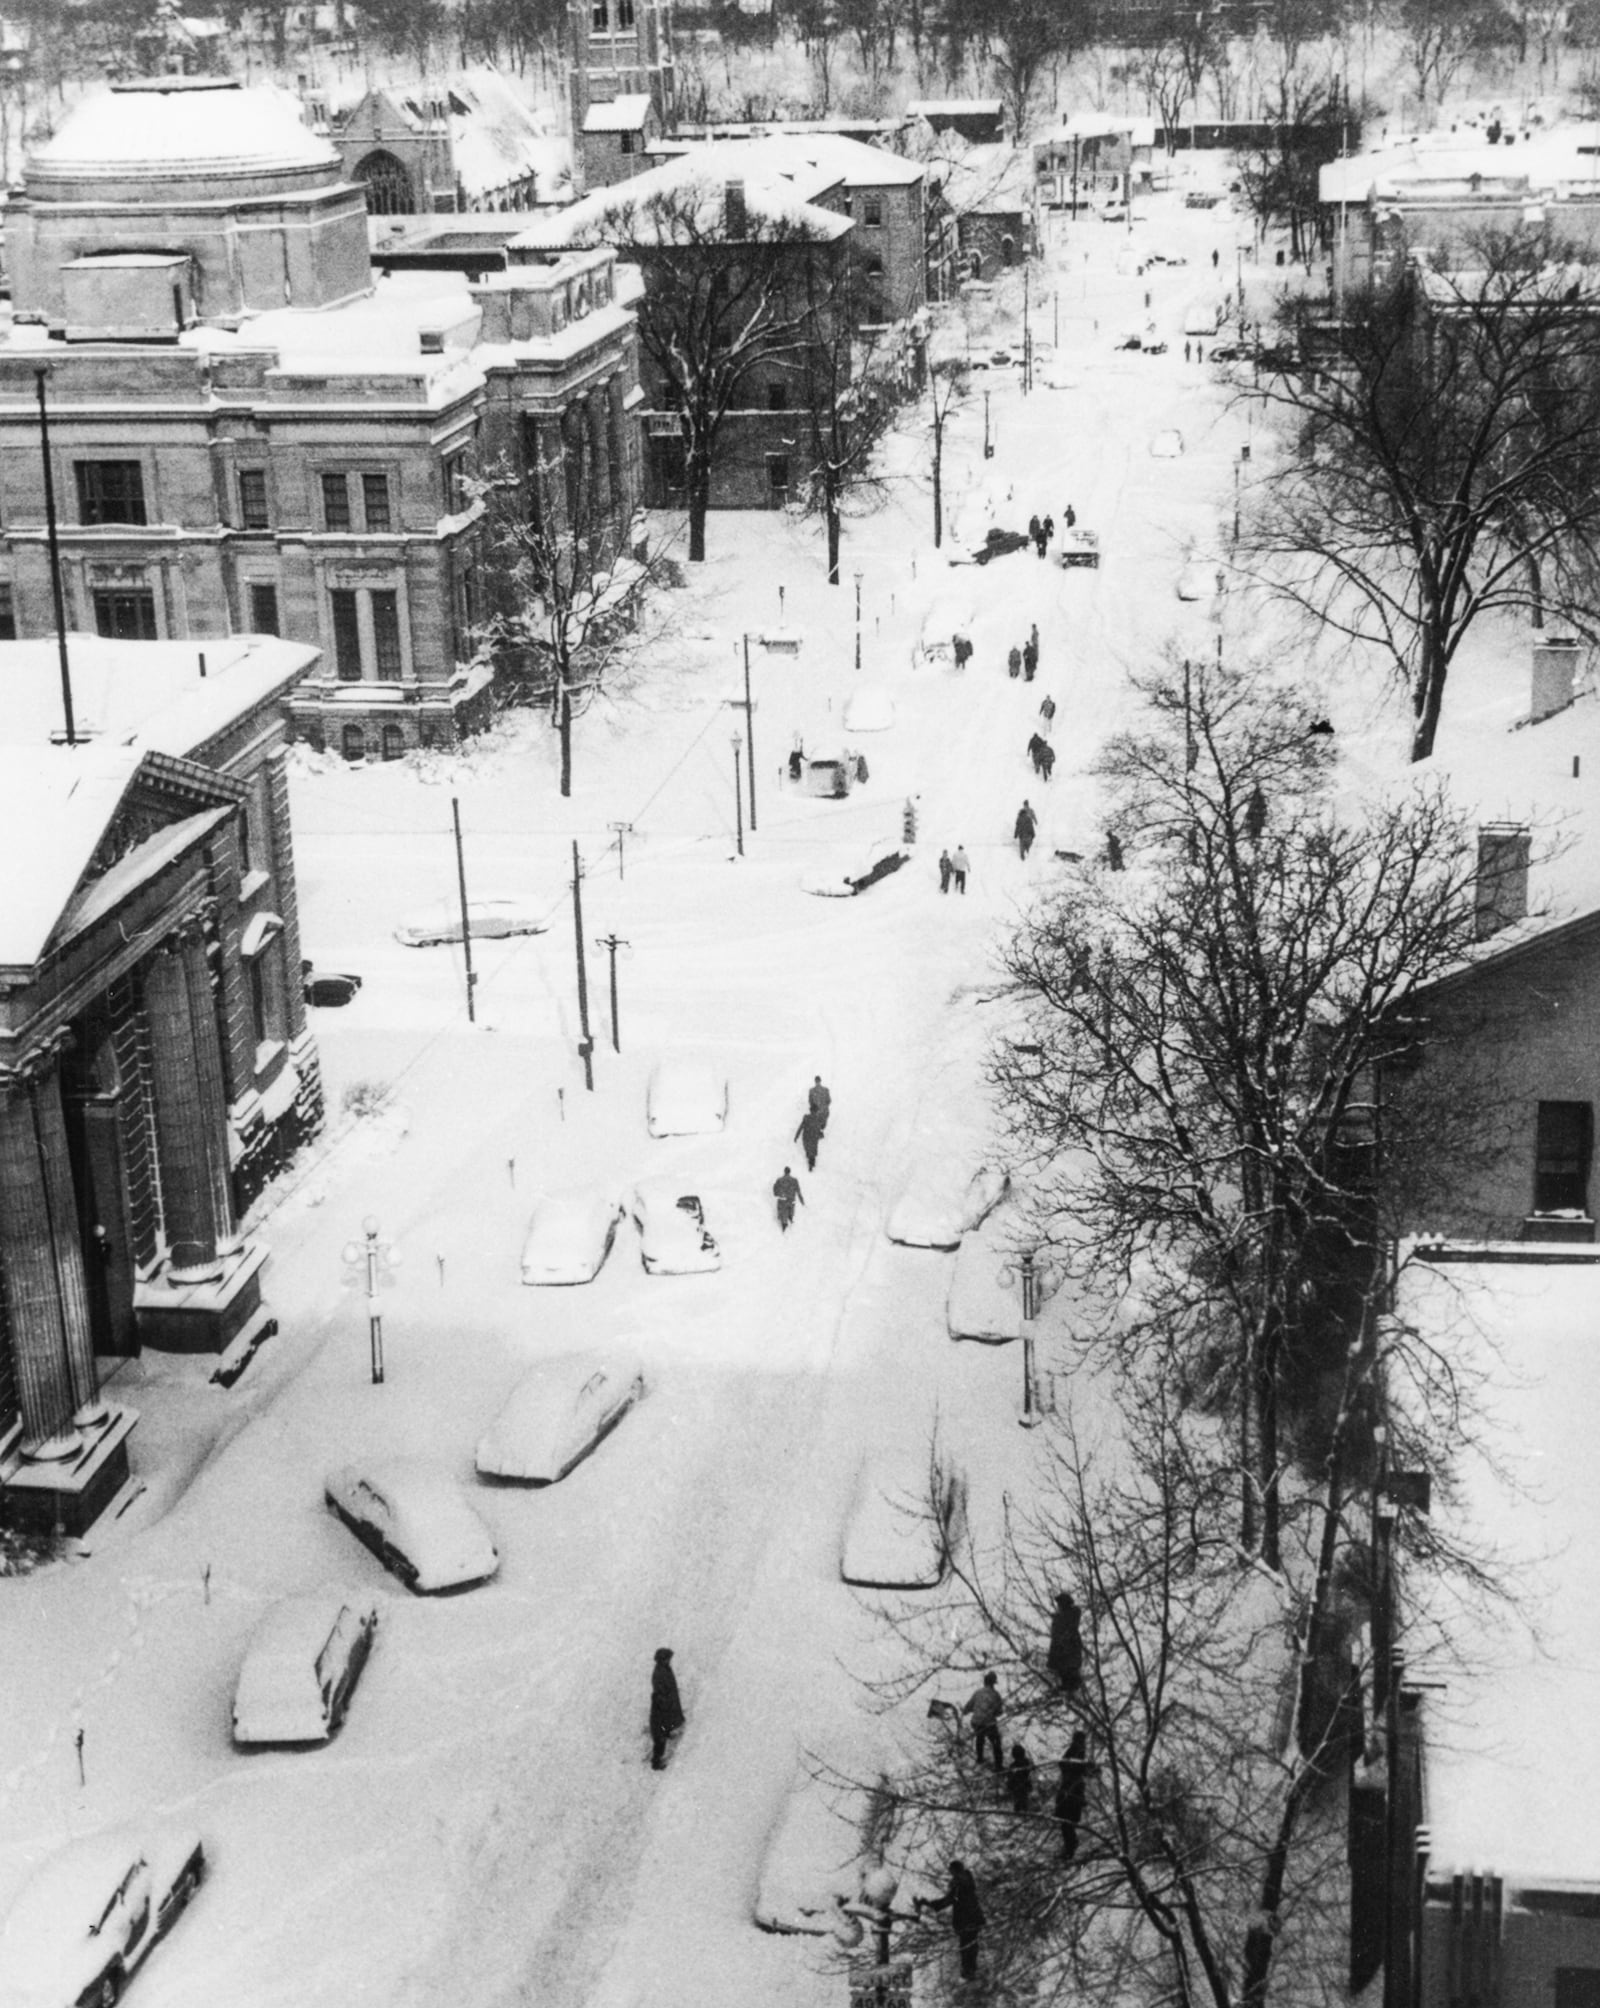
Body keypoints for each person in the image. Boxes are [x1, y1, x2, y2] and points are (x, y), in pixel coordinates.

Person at [918, 1860, 986, 1983]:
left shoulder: (959, 1884)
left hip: (966, 1921)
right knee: (971, 1946)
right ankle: (971, 1972)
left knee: (966, 1947)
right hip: (974, 1920)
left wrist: (929, 1904)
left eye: (951, 1870)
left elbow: (948, 1901)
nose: (950, 1873)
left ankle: (968, 1974)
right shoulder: (967, 1880)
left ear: (954, 1870)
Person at [1054, 1731, 1091, 1861]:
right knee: (1068, 1822)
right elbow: (1066, 1765)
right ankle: (1071, 1847)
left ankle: (1070, 1849)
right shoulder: (1078, 1751)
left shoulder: (1076, 1751)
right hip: (1073, 1790)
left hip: (1071, 1791)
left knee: (1066, 1822)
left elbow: (1064, 1764)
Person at [649, 1647, 684, 1769]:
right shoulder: (660, 1673)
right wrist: (667, 1704)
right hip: (662, 1706)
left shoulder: (665, 1669)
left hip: (667, 1703)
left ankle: (667, 1731)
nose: (669, 1661)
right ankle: (656, 1762)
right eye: (667, 1659)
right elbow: (660, 1692)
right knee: (659, 1736)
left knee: (666, 1724)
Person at [964, 1670, 1004, 1771]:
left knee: (979, 1736)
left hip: (976, 1722)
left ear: (985, 1682)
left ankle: (980, 1758)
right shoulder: (996, 1695)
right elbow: (999, 1712)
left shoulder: (977, 1692)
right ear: (993, 1683)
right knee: (996, 1742)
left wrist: (968, 1711)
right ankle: (998, 1766)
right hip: (988, 1723)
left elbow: (968, 1707)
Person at [1047, 1591, 1085, 1694]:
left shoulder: (1068, 1616)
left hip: (1067, 1650)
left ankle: (1071, 1686)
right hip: (1063, 1650)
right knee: (1065, 1671)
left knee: (1069, 1670)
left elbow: (1061, 1633)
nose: (1058, 1607)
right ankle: (1068, 1686)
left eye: (1060, 1604)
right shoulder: (1063, 1617)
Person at [1006, 1741, 1034, 1815]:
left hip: (1021, 1786)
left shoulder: (1014, 1765)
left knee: (1021, 1800)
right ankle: (1022, 1811)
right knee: (1021, 1800)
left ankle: (1021, 1811)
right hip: (1021, 1786)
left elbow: (1009, 1777)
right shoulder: (1026, 1762)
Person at [773, 1165, 804, 1231]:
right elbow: (798, 1191)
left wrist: (777, 1194)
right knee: (790, 1212)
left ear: (784, 1172)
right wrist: (802, 1201)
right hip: (791, 1200)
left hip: (782, 1200)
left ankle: (784, 1226)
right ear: (789, 1172)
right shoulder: (794, 1180)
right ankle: (790, 1218)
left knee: (783, 1214)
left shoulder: (779, 1180)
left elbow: (775, 1189)